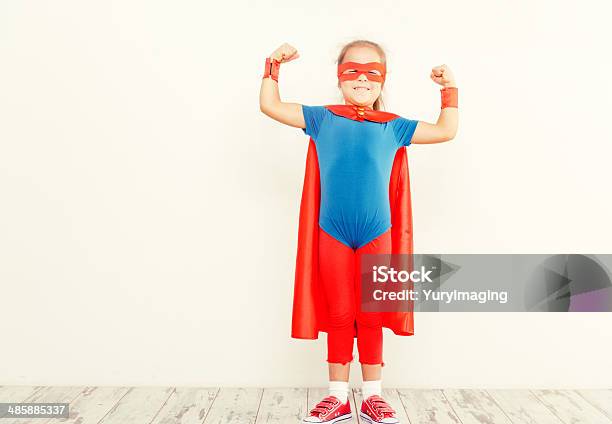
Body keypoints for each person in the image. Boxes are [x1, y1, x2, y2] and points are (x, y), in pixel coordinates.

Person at [259, 39, 458, 424]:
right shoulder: (321, 118)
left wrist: (448, 89)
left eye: (373, 72)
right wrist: (273, 65)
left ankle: (372, 397)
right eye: (353, 70)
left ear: (383, 81)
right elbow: (270, 105)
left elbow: (446, 130)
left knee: (370, 313)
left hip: (376, 233)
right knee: (338, 312)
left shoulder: (394, 126)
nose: (362, 78)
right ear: (339, 77)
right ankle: (337, 398)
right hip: (331, 231)